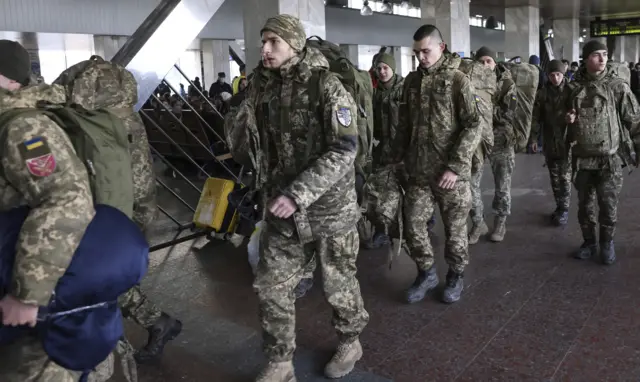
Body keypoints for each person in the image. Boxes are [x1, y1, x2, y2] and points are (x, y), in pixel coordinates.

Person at [225, 15, 369, 381]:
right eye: (263, 42)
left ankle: (351, 341)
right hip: (281, 209)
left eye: (274, 41)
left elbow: (344, 149)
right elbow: (249, 143)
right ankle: (279, 361)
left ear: (295, 44)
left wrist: (299, 193)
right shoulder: (261, 86)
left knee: (339, 285)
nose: (265, 49)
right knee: (271, 285)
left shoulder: (328, 87)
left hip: (328, 210)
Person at [0, 39, 96, 382]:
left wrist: (27, 294)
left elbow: (67, 198)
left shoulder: (25, 128)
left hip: (28, 289)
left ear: (11, 81)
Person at [393, 25, 481, 304]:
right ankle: (426, 272)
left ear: (441, 47)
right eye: (417, 52)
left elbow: (473, 124)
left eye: (426, 51)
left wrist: (455, 167)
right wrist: (395, 161)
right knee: (412, 225)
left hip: (451, 175)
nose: (421, 57)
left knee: (455, 231)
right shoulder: (411, 82)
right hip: (419, 172)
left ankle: (455, 275)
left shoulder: (458, 80)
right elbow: (404, 126)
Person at [565, 40, 640, 264]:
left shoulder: (617, 86)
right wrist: (567, 120)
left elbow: (634, 121)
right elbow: (561, 119)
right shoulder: (573, 87)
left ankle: (607, 243)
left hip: (610, 159)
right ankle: (589, 242)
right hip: (582, 158)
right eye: (596, 55)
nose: (602, 58)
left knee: (608, 205)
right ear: (586, 58)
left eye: (605, 54)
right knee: (584, 206)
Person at [473, 46, 517, 243]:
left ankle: (500, 221)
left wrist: (484, 108)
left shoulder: (507, 84)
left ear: (494, 63)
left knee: (502, 183)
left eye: (488, 61)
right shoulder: (470, 81)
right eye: (480, 61)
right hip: (477, 139)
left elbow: (509, 113)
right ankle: (477, 222)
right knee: (471, 183)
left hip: (501, 139)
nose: (484, 65)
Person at [362, 52, 404, 249]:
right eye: (378, 68)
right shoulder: (373, 91)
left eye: (385, 67)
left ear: (393, 68)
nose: (382, 71)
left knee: (411, 192)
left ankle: (422, 224)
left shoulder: (404, 89)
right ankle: (382, 231)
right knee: (378, 193)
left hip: (403, 149)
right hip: (382, 150)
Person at [529, 59, 574, 226]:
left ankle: (564, 209)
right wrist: (533, 138)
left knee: (564, 178)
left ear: (563, 74)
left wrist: (573, 117)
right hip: (549, 141)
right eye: (552, 75)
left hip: (567, 141)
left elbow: (580, 112)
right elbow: (536, 118)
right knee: (554, 178)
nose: (555, 78)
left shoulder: (571, 91)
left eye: (558, 74)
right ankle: (559, 206)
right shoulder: (543, 93)